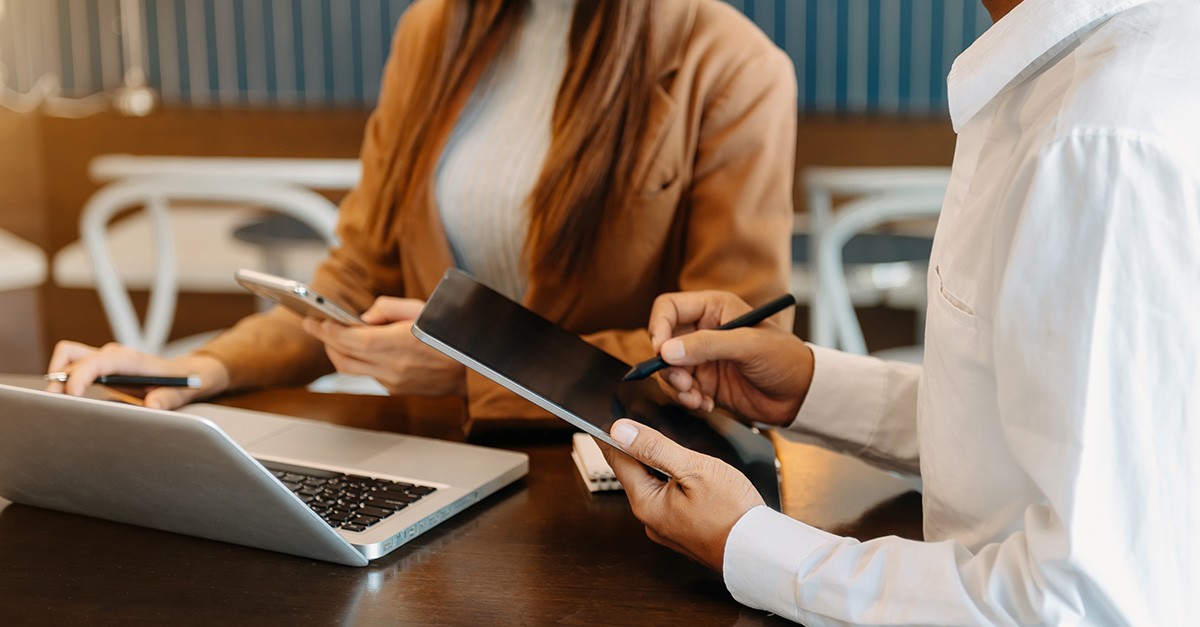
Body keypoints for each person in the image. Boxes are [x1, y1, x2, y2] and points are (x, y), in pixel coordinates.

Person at [600, 0, 1199, 623]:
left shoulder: (1102, 142)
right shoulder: (1073, 82)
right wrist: (811, 386)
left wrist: (750, 545)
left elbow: (1080, 606)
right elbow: (1042, 436)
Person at [47, 0, 796, 432]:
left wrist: (473, 372)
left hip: (613, 491)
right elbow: (349, 285)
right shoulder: (433, 33)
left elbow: (731, 351)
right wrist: (200, 366)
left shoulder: (731, 65)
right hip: (440, 461)